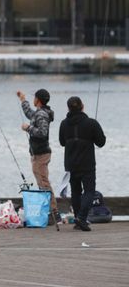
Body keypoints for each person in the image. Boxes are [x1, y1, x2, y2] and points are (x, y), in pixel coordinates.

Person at [59, 96, 106, 231]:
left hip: (70, 163)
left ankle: (78, 219)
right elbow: (101, 142)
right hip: (87, 163)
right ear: (82, 106)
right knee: (89, 191)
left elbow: (62, 142)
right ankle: (81, 217)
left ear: (68, 108)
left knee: (76, 192)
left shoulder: (63, 123)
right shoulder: (91, 123)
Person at [17, 88, 61, 224]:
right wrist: (23, 100)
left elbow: (42, 132)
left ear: (38, 100)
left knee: (43, 182)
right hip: (38, 153)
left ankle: (54, 214)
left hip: (41, 154)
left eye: (34, 97)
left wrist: (28, 128)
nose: (33, 99)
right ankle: (52, 213)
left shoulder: (41, 115)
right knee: (42, 181)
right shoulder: (40, 113)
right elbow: (30, 114)